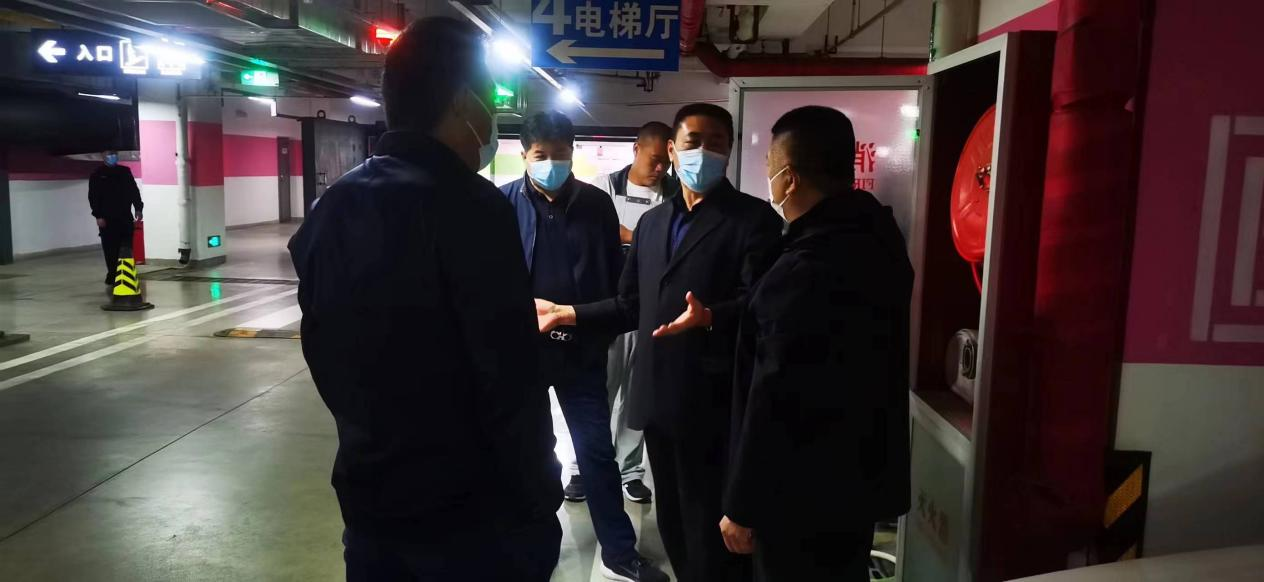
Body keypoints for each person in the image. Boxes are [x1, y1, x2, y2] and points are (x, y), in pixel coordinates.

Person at [287, 17, 561, 581]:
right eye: (488, 99)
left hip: (370, 497)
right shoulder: (472, 208)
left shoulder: (331, 207)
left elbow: (322, 349)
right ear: (462, 102)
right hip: (470, 516)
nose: (492, 118)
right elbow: (508, 376)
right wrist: (539, 493)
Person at [538, 103, 783, 582]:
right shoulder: (653, 223)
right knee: (673, 526)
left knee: (712, 533)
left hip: (714, 404)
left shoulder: (753, 220)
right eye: (693, 142)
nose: (704, 152)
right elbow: (629, 304)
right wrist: (569, 313)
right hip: (657, 401)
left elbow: (762, 305)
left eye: (717, 143)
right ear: (672, 149)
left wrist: (712, 316)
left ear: (730, 151)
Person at [720, 106, 912, 581]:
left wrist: (741, 504)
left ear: (790, 178)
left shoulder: (804, 269)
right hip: (857, 480)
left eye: (770, 163)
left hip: (797, 494)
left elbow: (773, 397)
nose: (767, 174)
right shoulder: (877, 239)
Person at [498, 111, 668, 582]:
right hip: (524, 354)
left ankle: (619, 551)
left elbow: (612, 277)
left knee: (596, 450)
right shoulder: (502, 203)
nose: (551, 163)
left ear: (573, 153)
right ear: (524, 155)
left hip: (581, 350)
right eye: (541, 155)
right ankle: (532, 546)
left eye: (560, 154)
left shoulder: (596, 205)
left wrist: (597, 327)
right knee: (530, 452)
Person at [569, 121, 679, 505]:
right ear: (636, 150)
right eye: (653, 160)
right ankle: (582, 468)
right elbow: (598, 233)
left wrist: (633, 236)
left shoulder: (675, 194)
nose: (659, 169)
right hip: (609, 305)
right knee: (598, 390)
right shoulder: (603, 188)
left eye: (666, 163)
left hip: (652, 309)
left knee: (637, 395)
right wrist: (643, 238)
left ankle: (629, 471)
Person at [88, 150, 142, 285]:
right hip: (107, 219)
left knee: (126, 247)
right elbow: (93, 196)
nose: (112, 157)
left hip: (125, 216)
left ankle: (127, 274)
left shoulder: (124, 172)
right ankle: (112, 274)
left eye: (114, 154)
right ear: (103, 156)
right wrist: (98, 215)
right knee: (110, 248)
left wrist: (138, 208)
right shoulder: (97, 174)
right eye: (109, 154)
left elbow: (133, 190)